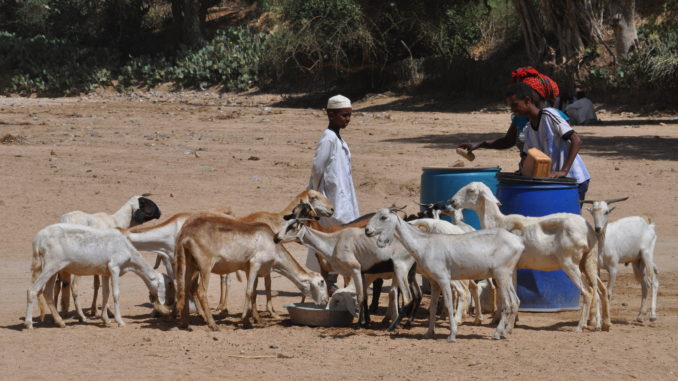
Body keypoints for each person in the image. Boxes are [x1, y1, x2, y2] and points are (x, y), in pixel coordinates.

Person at [306, 94, 360, 290]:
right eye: (344, 115)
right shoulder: (328, 138)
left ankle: (336, 282)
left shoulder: (338, 139)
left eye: (349, 115)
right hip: (331, 199)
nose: (347, 119)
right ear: (331, 115)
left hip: (343, 197)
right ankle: (328, 282)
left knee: (342, 239)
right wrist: (317, 195)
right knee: (331, 240)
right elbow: (317, 168)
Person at [506, 82, 591, 200]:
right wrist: (523, 170)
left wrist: (563, 171)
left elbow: (576, 141)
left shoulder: (548, 115)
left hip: (574, 179)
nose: (513, 110)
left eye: (515, 105)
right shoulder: (529, 128)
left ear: (527, 100)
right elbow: (528, 155)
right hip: (557, 182)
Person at [459, 67, 566, 154]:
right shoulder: (520, 118)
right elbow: (508, 141)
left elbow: (569, 144)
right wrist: (481, 144)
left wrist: (563, 170)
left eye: (528, 91)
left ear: (539, 93)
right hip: (530, 170)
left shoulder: (553, 116)